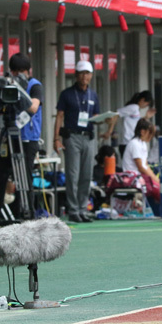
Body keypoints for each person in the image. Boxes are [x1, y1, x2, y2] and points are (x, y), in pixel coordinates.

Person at [0, 52, 44, 227]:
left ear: (29, 71)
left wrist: (20, 92)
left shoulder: (35, 85)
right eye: (15, 72)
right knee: (0, 175)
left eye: (22, 71)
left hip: (27, 139)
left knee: (25, 177)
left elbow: (33, 106)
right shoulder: (7, 85)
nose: (18, 75)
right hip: (7, 136)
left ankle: (28, 215)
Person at [54, 60, 102, 223]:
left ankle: (83, 209)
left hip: (88, 136)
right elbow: (60, 116)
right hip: (72, 136)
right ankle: (73, 209)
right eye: (81, 73)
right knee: (72, 174)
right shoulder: (67, 94)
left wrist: (105, 119)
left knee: (87, 174)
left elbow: (96, 116)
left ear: (91, 75)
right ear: (76, 75)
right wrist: (56, 138)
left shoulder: (93, 94)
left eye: (87, 73)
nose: (84, 76)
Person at [121, 118, 161, 214]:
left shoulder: (143, 144)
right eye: (150, 133)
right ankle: (155, 212)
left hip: (140, 176)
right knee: (155, 188)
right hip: (132, 177)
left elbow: (146, 165)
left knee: (158, 186)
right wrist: (155, 180)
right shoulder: (134, 144)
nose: (151, 136)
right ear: (142, 131)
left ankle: (157, 212)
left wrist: (156, 179)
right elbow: (141, 167)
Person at [114, 90, 156, 157]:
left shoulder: (135, 109)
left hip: (129, 142)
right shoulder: (134, 107)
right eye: (147, 104)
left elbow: (135, 122)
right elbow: (116, 113)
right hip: (127, 142)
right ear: (142, 100)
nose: (146, 106)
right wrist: (109, 130)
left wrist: (146, 117)